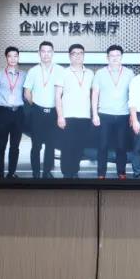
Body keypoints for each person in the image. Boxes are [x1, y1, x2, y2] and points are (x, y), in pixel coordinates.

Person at [91, 44, 134, 180]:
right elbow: (95, 94)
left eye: (117, 55)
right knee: (102, 146)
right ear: (107, 58)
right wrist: (95, 114)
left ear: (121, 57)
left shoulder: (129, 73)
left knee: (121, 146)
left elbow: (133, 95)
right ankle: (101, 173)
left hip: (123, 115)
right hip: (104, 115)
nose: (115, 58)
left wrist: (133, 116)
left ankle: (121, 172)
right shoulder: (100, 73)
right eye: (112, 56)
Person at [23, 40, 64, 178]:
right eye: (43, 51)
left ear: (53, 53)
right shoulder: (33, 71)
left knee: (51, 145)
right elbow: (27, 92)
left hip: (53, 113)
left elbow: (63, 92)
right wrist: (35, 105)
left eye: (49, 51)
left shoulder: (60, 70)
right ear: (39, 53)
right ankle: (35, 172)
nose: (46, 54)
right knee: (36, 145)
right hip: (37, 113)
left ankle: (47, 172)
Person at [56, 43, 94, 179]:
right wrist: (60, 116)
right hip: (68, 116)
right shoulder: (63, 72)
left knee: (79, 146)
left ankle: (75, 171)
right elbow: (57, 96)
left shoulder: (90, 73)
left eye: (80, 53)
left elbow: (93, 95)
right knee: (67, 146)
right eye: (74, 53)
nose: (77, 56)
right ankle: (66, 173)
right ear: (69, 56)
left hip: (84, 116)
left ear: (84, 55)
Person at [0, 46, 25, 178]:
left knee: (15, 146)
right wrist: (2, 110)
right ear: (6, 58)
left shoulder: (24, 75)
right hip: (3, 112)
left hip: (19, 113)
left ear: (18, 58)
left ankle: (11, 172)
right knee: (1, 145)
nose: (13, 59)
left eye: (16, 56)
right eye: (10, 56)